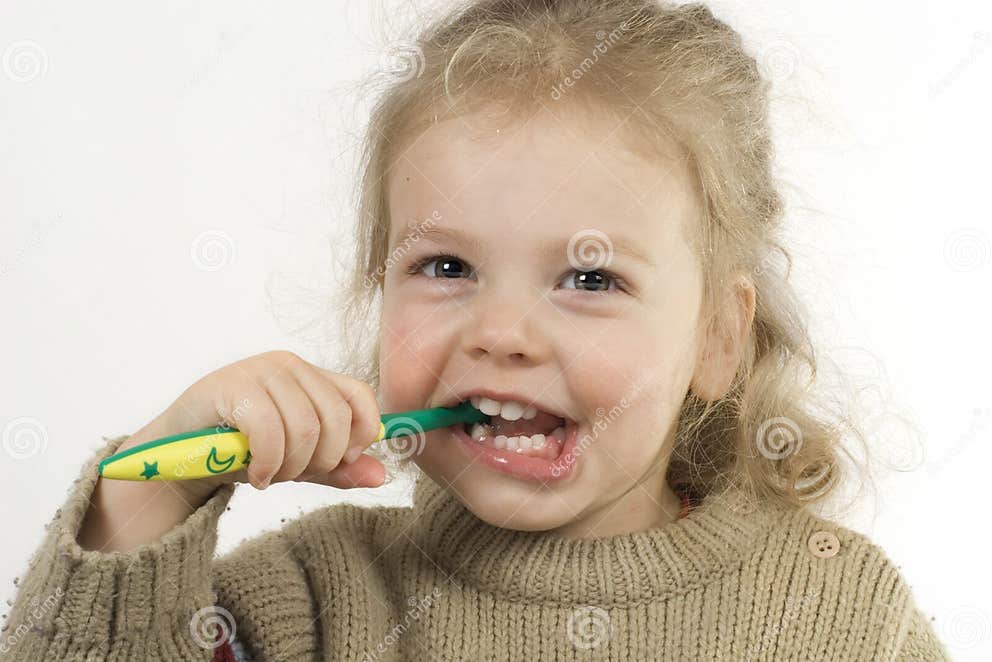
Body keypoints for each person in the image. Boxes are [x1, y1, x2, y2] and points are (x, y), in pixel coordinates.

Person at [3, 1, 950, 659]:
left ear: (717, 337)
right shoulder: (313, 601)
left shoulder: (835, 611)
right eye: (445, 268)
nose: (502, 332)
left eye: (589, 276)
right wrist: (153, 488)